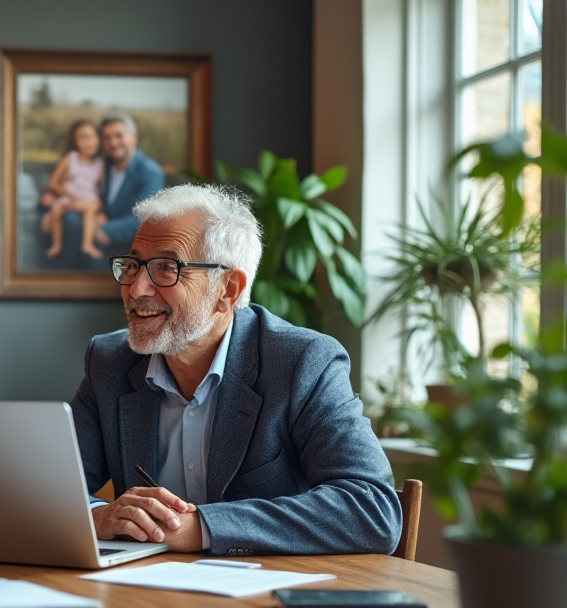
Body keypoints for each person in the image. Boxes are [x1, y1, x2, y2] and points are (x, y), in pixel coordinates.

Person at [71, 184, 401, 556]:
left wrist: (204, 528)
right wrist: (97, 516)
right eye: (132, 266)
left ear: (228, 290)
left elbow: (372, 509)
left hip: (270, 596)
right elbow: (53, 490)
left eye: (167, 268)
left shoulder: (302, 362)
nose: (135, 289)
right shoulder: (110, 361)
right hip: (144, 592)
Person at [60, 114, 165, 269]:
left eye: (118, 136)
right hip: (92, 237)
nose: (113, 143)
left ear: (133, 138)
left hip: (125, 251)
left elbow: (145, 218)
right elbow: (83, 190)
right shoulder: (103, 165)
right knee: (69, 219)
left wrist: (100, 229)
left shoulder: (150, 172)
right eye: (107, 138)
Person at [39, 120, 105, 259]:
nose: (89, 142)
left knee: (90, 209)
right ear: (75, 142)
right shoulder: (71, 159)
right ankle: (56, 244)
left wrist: (97, 206)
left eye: (92, 137)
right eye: (83, 138)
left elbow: (99, 188)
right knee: (56, 210)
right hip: (68, 197)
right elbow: (53, 182)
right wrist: (68, 194)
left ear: (98, 139)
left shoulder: (99, 163)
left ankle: (87, 245)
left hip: (87, 199)